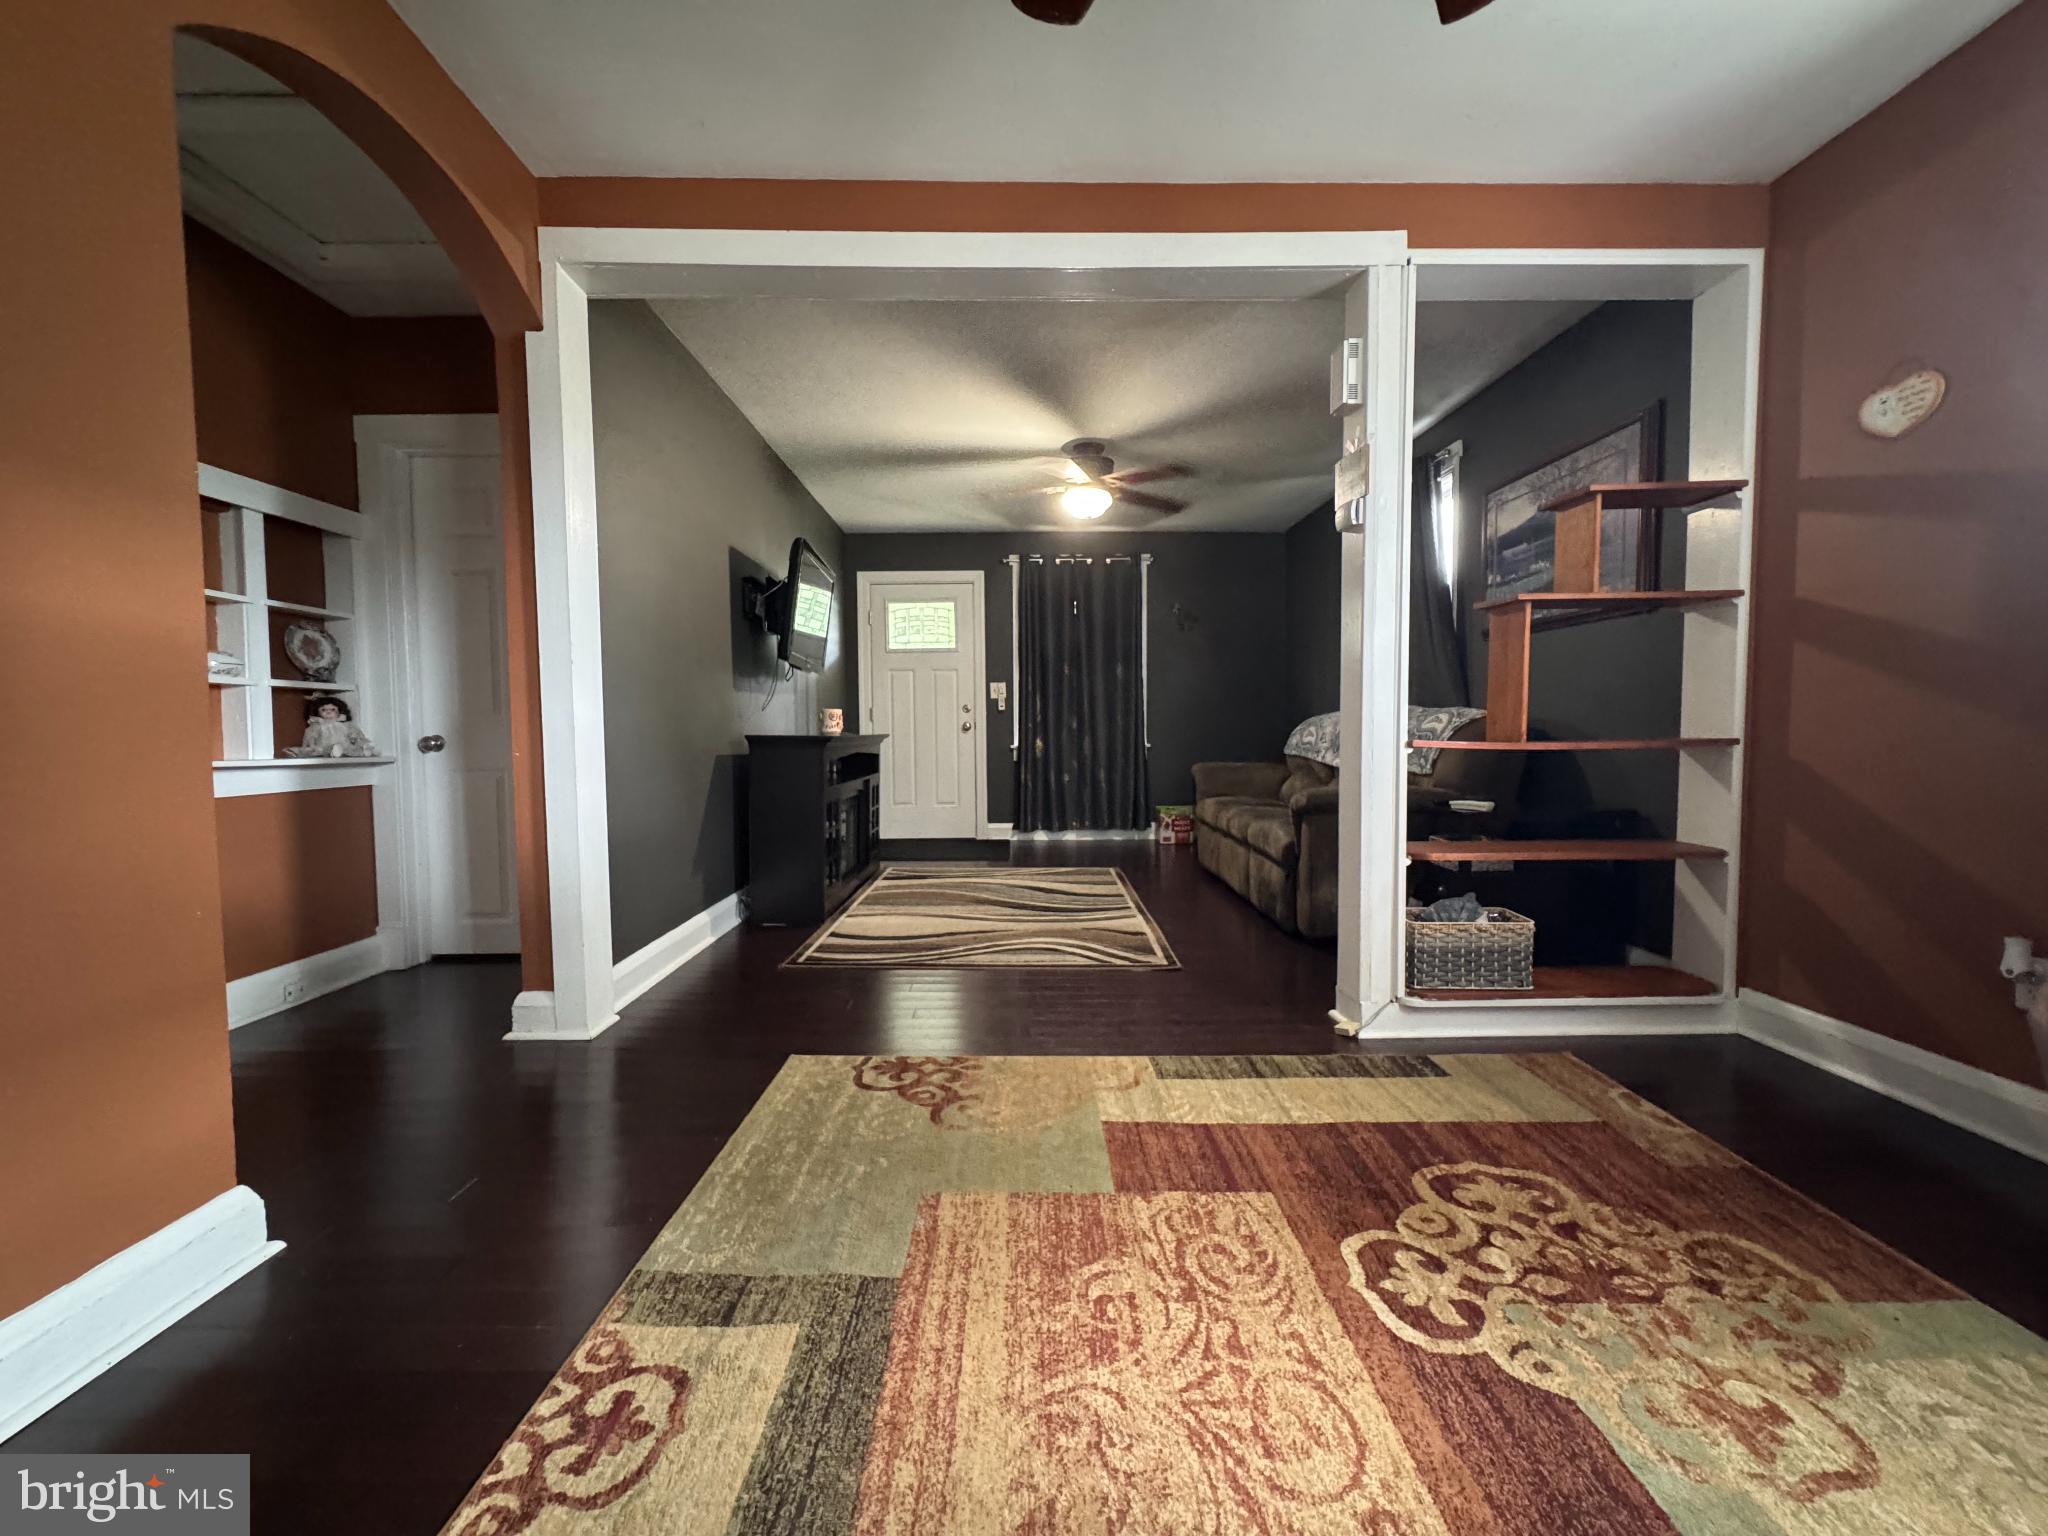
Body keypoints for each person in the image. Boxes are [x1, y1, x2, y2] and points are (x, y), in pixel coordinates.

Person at [297, 695, 378, 758]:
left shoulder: (345, 725)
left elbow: (354, 732)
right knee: (325, 750)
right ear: (317, 712)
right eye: (323, 710)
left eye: (333, 709)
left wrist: (354, 738)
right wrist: (312, 745)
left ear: (340, 711)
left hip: (345, 745)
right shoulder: (318, 725)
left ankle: (365, 750)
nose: (328, 711)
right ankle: (335, 751)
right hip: (324, 746)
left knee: (351, 749)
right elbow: (311, 736)